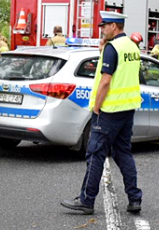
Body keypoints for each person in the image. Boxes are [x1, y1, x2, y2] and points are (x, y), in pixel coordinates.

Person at [61, 12, 143, 214]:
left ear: (114, 26)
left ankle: (86, 200)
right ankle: (134, 199)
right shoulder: (131, 46)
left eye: (104, 26)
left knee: (95, 154)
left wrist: (97, 107)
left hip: (109, 110)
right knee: (123, 153)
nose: (101, 29)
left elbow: (106, 81)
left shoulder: (112, 48)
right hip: (127, 109)